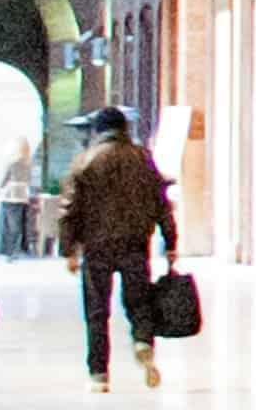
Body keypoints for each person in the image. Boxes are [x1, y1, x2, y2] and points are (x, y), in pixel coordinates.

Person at [61, 106, 177, 392]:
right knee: (139, 301)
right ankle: (142, 341)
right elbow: (162, 203)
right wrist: (171, 242)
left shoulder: (86, 161)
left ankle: (99, 374)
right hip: (135, 243)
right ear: (124, 128)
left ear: (98, 130)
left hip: (96, 246)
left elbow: (70, 209)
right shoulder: (143, 159)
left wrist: (69, 249)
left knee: (97, 311)